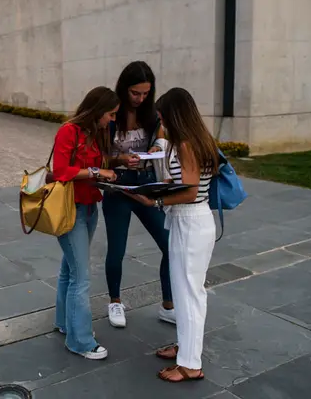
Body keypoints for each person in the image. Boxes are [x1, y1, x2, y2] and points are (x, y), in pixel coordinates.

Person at [128, 87, 218, 382]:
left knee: (190, 293)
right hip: (190, 221)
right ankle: (186, 348)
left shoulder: (188, 145)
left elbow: (191, 193)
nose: (162, 123)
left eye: (164, 117)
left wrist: (155, 200)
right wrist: (166, 184)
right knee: (184, 291)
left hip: (191, 222)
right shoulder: (192, 142)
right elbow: (186, 184)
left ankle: (190, 364)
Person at [101, 61, 174, 329]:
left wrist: (156, 146)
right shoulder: (111, 113)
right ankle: (115, 300)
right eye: (135, 93)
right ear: (124, 88)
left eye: (145, 93)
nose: (140, 98)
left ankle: (168, 305)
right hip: (118, 186)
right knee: (117, 249)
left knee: (169, 245)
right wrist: (120, 159)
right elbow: (99, 157)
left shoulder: (151, 114)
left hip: (146, 183)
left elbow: (162, 136)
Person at [52, 86, 119, 360]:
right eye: (110, 114)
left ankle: (65, 323)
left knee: (70, 269)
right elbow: (60, 171)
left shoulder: (95, 134)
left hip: (90, 207)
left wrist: (116, 164)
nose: (112, 120)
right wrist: (95, 171)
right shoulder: (69, 131)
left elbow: (99, 164)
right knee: (81, 277)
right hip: (70, 210)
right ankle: (80, 341)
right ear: (98, 110)